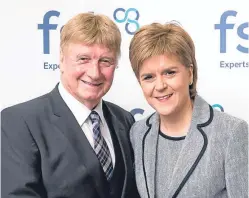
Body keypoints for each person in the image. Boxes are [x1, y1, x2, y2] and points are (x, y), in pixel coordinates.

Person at [1, 12, 139, 198]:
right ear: (61, 60)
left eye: (105, 61)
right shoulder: (19, 122)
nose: (94, 73)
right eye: (83, 59)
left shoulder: (125, 120)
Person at [129, 22, 248, 198]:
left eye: (170, 72)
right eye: (149, 77)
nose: (160, 85)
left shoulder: (231, 133)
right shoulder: (137, 133)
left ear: (190, 73)